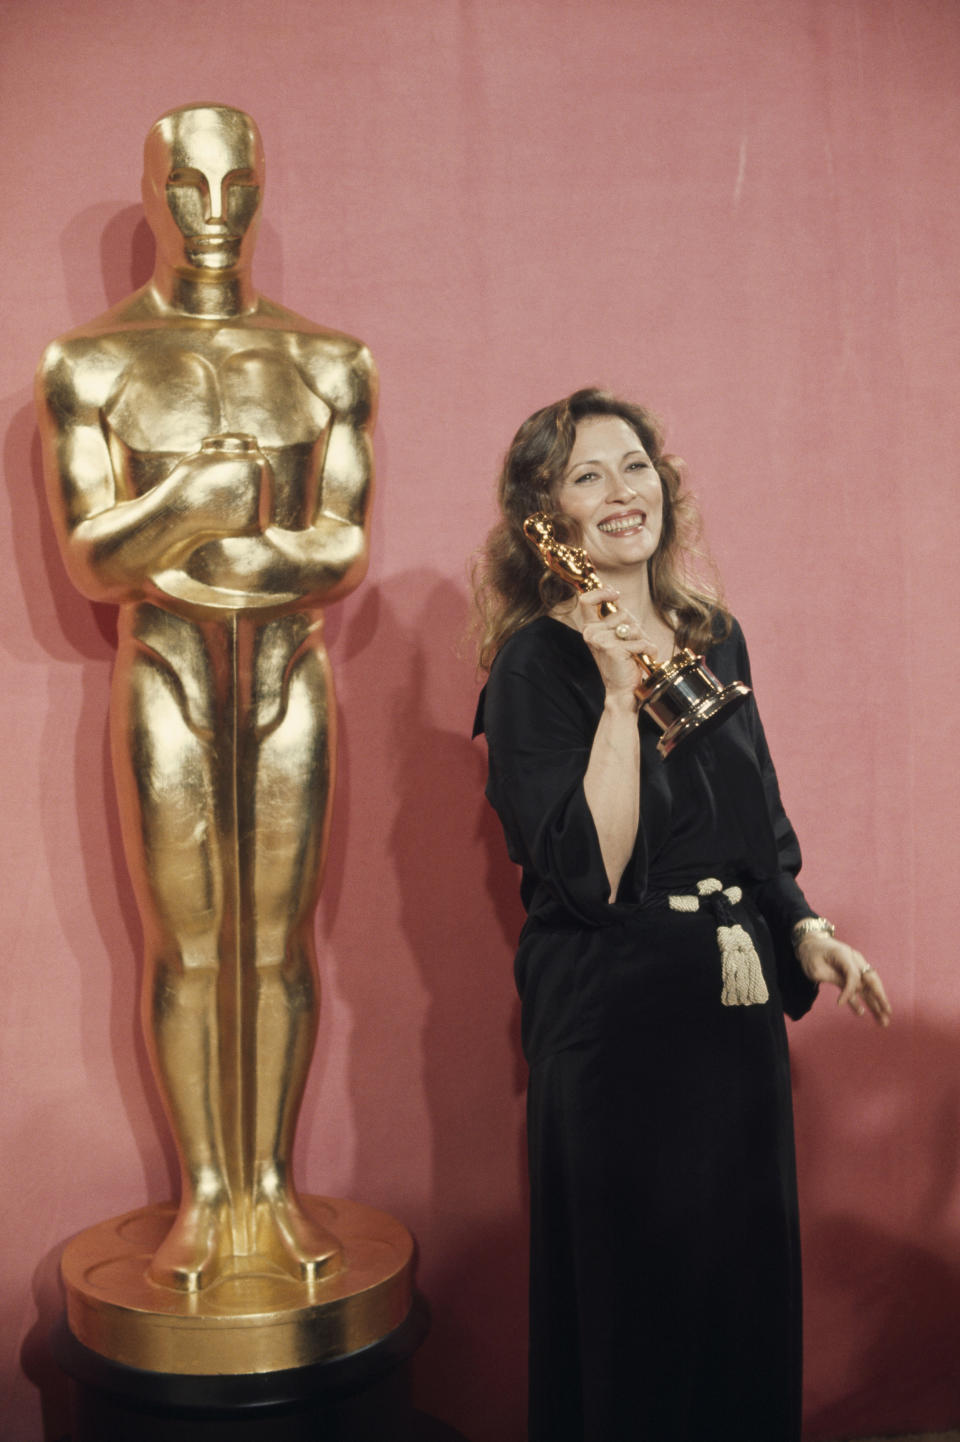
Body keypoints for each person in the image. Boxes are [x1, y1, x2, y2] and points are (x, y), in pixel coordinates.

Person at [472, 388, 891, 1442]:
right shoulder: (538, 665)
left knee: (738, 1294)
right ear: (546, 515)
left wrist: (800, 923)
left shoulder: (716, 636)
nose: (624, 493)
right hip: (614, 1020)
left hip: (731, 1014)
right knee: (638, 1306)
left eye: (637, 466)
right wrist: (618, 697)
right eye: (588, 475)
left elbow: (756, 817)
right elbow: (590, 872)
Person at [36, 104, 376, 1292]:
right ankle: (207, 1193)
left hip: (288, 671)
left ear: (266, 188)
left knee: (280, 938)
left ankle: (272, 1185)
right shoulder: (90, 364)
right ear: (153, 195)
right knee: (186, 942)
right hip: (169, 671)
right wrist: (207, 500)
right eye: (188, 188)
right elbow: (91, 559)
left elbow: (343, 552)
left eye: (238, 186)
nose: (215, 214)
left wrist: (192, 547)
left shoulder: (328, 361)